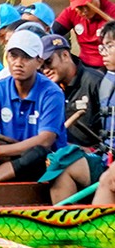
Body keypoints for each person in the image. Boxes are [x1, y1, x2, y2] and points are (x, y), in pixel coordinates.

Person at [0, 28, 67, 184]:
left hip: (45, 163)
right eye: (13, 56)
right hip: (10, 153)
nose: (18, 63)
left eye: (26, 57)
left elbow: (45, 141)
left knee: (37, 152)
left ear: (39, 62)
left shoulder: (52, 93)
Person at [38, 39, 114, 204]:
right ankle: (64, 223)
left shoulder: (95, 81)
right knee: (57, 163)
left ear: (65, 55)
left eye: (48, 62)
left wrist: (91, 148)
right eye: (41, 66)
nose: (45, 70)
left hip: (97, 155)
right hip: (71, 154)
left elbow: (106, 132)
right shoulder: (49, 89)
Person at [55, 0, 113, 69]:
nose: (84, 10)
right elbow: (52, 32)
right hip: (83, 65)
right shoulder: (71, 12)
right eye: (79, 7)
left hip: (109, 66)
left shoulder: (112, 11)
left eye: (87, 5)